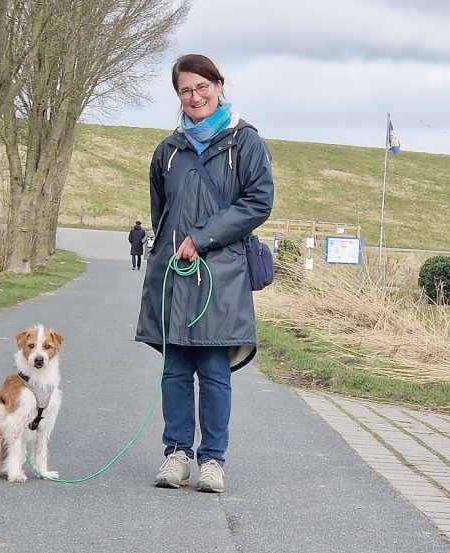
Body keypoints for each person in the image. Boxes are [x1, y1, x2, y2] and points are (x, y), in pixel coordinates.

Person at [134, 54, 274, 493]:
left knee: (214, 371)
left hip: (221, 277)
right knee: (174, 370)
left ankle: (212, 460)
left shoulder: (245, 142)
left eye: (201, 87)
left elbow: (258, 203)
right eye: (185, 91)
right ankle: (176, 455)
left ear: (218, 85)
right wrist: (173, 246)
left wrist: (203, 237)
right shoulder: (168, 151)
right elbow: (163, 209)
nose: (194, 97)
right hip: (174, 276)